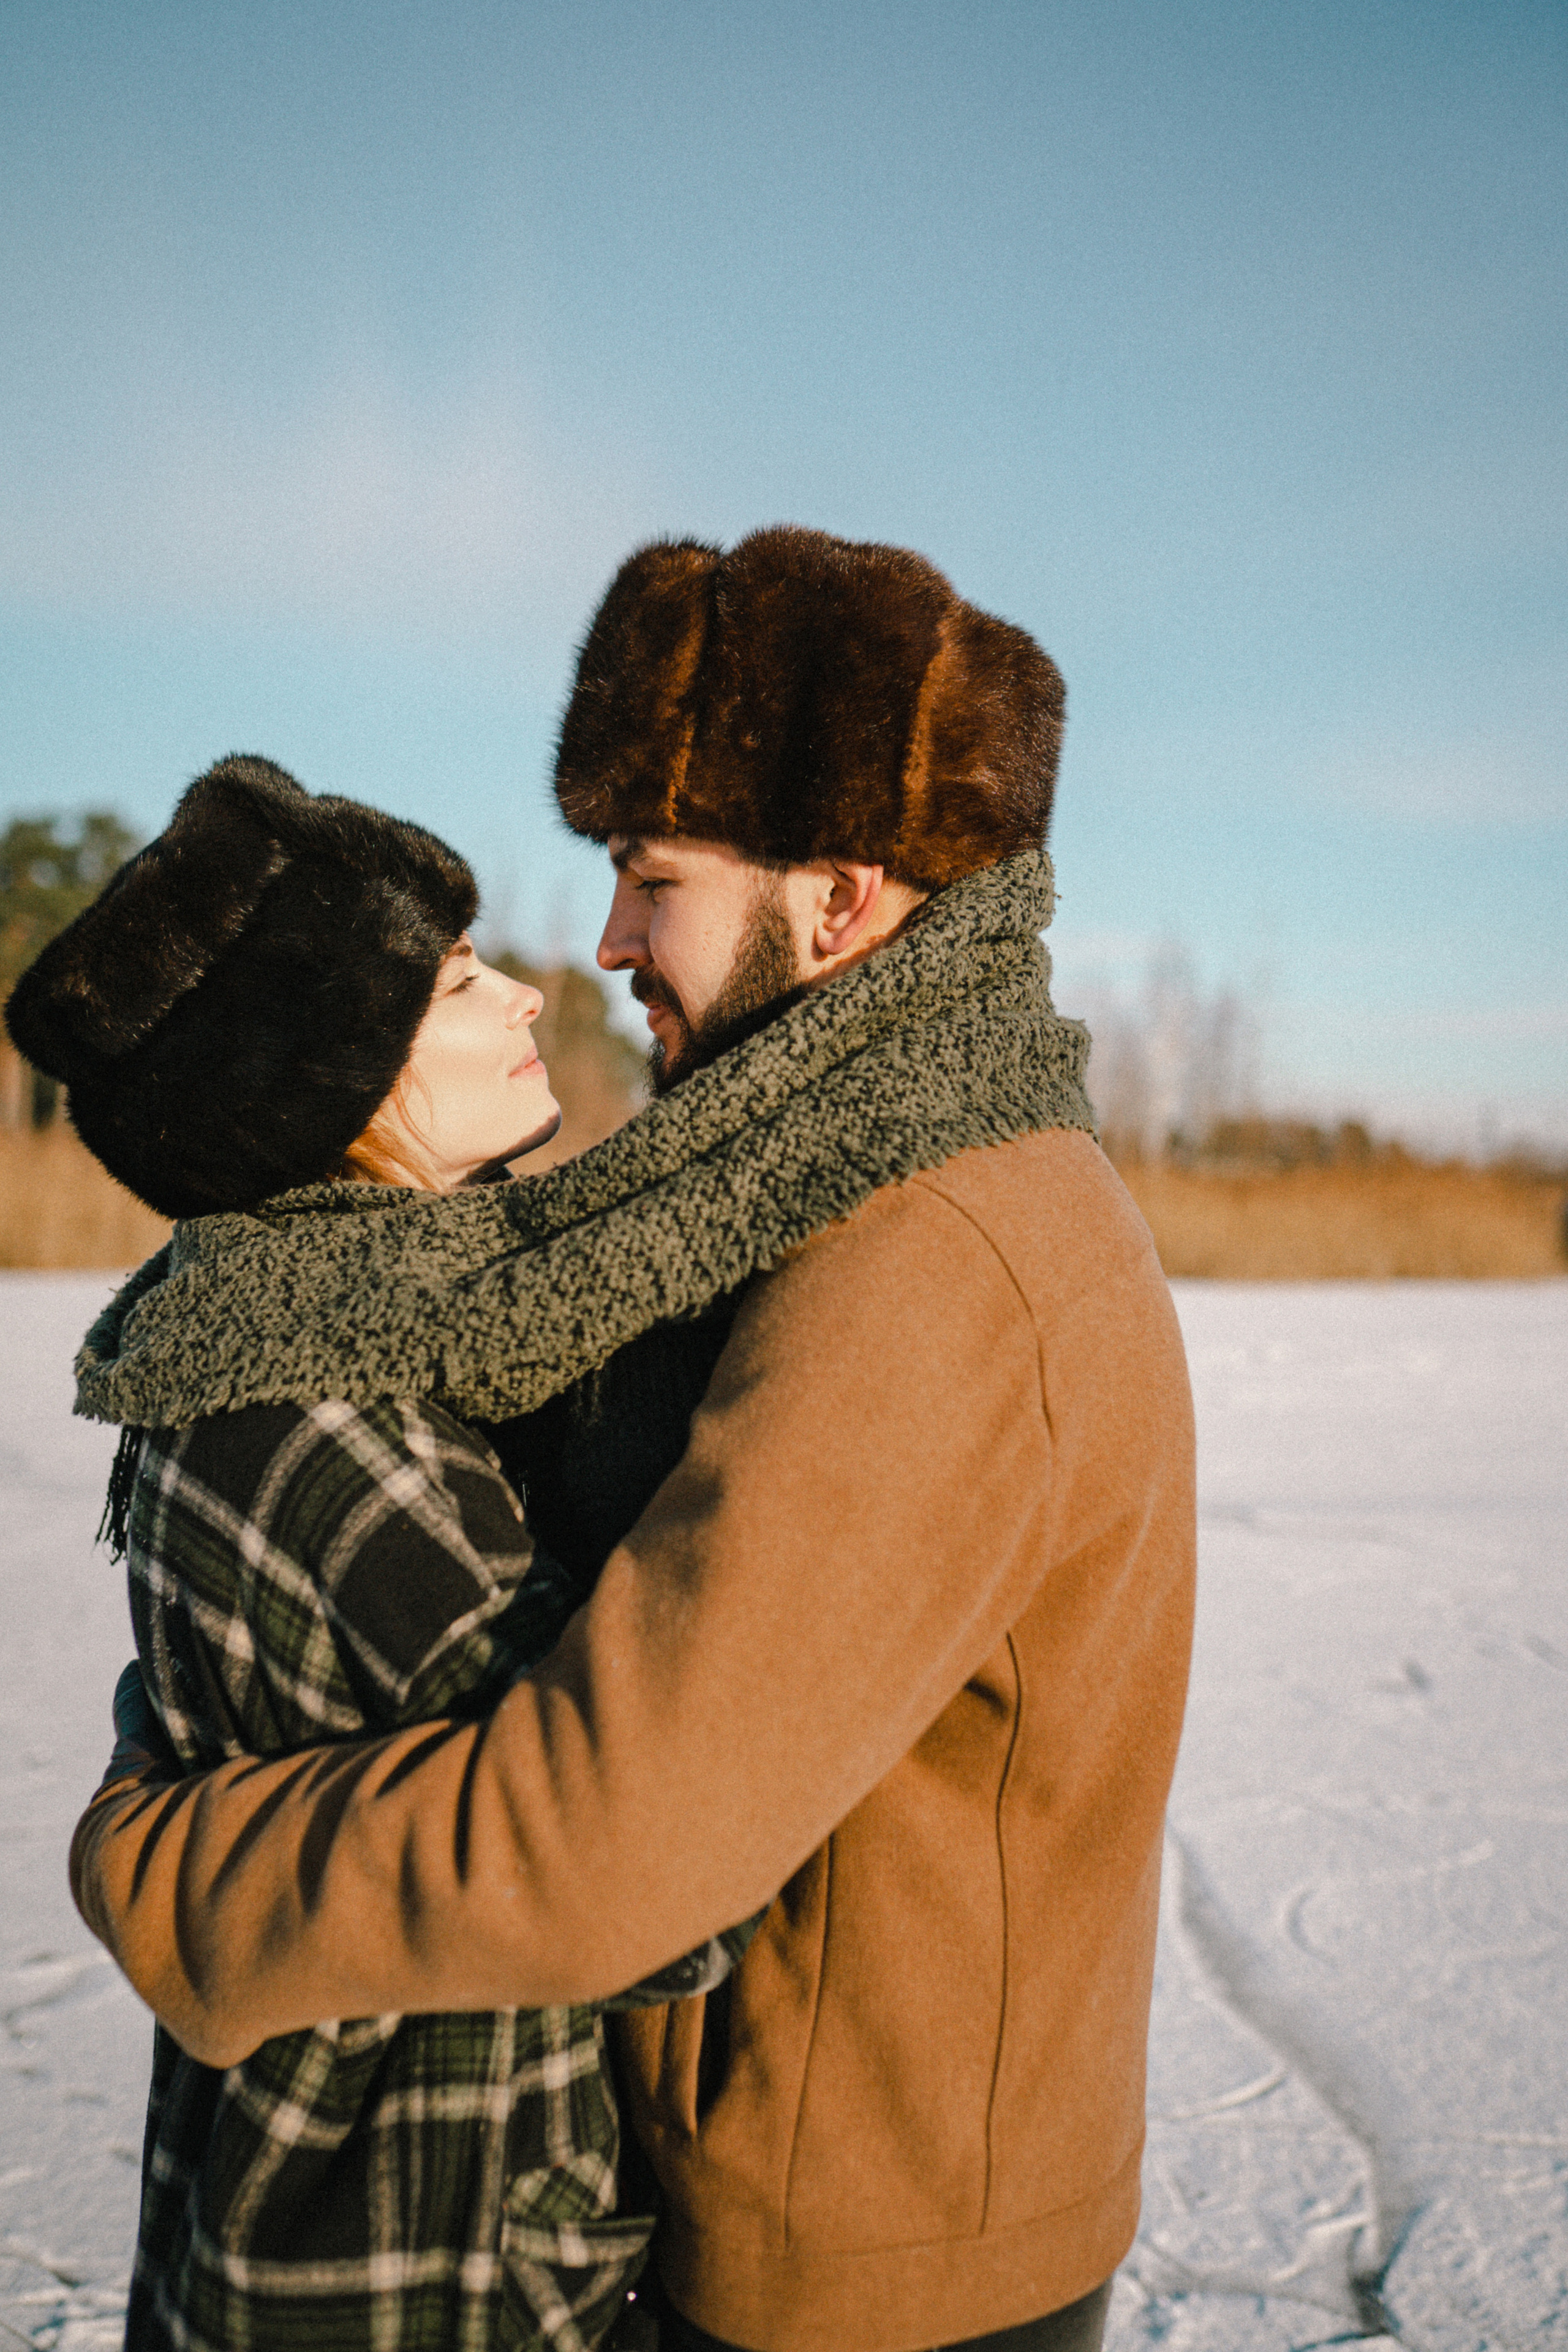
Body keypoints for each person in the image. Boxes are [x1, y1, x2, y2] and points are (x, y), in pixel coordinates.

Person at [66, 528, 1197, 2352]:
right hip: (793, 2208)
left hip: (866, 2274)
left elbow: (600, 1847)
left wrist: (169, 1873)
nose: (598, 947)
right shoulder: (817, 1178)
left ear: (841, 900)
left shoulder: (933, 1259)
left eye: (650, 877)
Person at [5, 756, 755, 2352]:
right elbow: (628, 1888)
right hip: (421, 2260)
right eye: (459, 976)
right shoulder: (337, 1432)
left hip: (306, 2217)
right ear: (326, 1076)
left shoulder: (237, 1347)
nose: (528, 995)